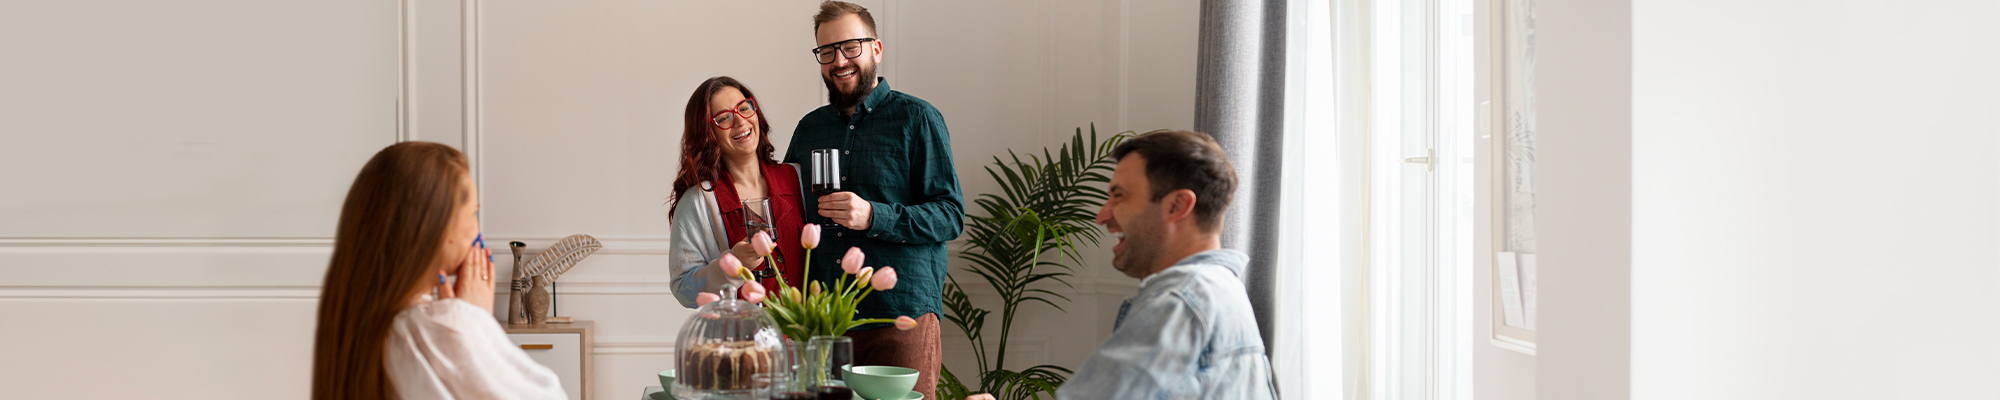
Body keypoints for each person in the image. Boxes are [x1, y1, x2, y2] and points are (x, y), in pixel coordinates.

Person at [782, 1, 963, 395]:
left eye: (850, 47)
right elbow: (787, 210)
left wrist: (872, 216)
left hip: (900, 318)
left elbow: (950, 215)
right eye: (826, 51)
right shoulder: (809, 129)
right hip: (824, 323)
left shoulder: (918, 118)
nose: (838, 60)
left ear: (876, 49)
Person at [1020, 130, 1278, 399]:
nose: (1102, 216)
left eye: (1118, 195)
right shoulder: (1224, 290)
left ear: (1177, 205)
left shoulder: (1178, 300)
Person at [311, 142, 565, 400]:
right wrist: (475, 322)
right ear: (438, 226)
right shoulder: (429, 327)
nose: (478, 232)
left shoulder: (352, 324)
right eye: (473, 212)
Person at [668, 77, 810, 308]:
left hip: (806, 339)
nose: (740, 121)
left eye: (744, 108)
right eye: (724, 118)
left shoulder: (797, 178)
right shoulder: (699, 201)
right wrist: (733, 264)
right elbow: (683, 288)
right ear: (708, 133)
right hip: (741, 340)